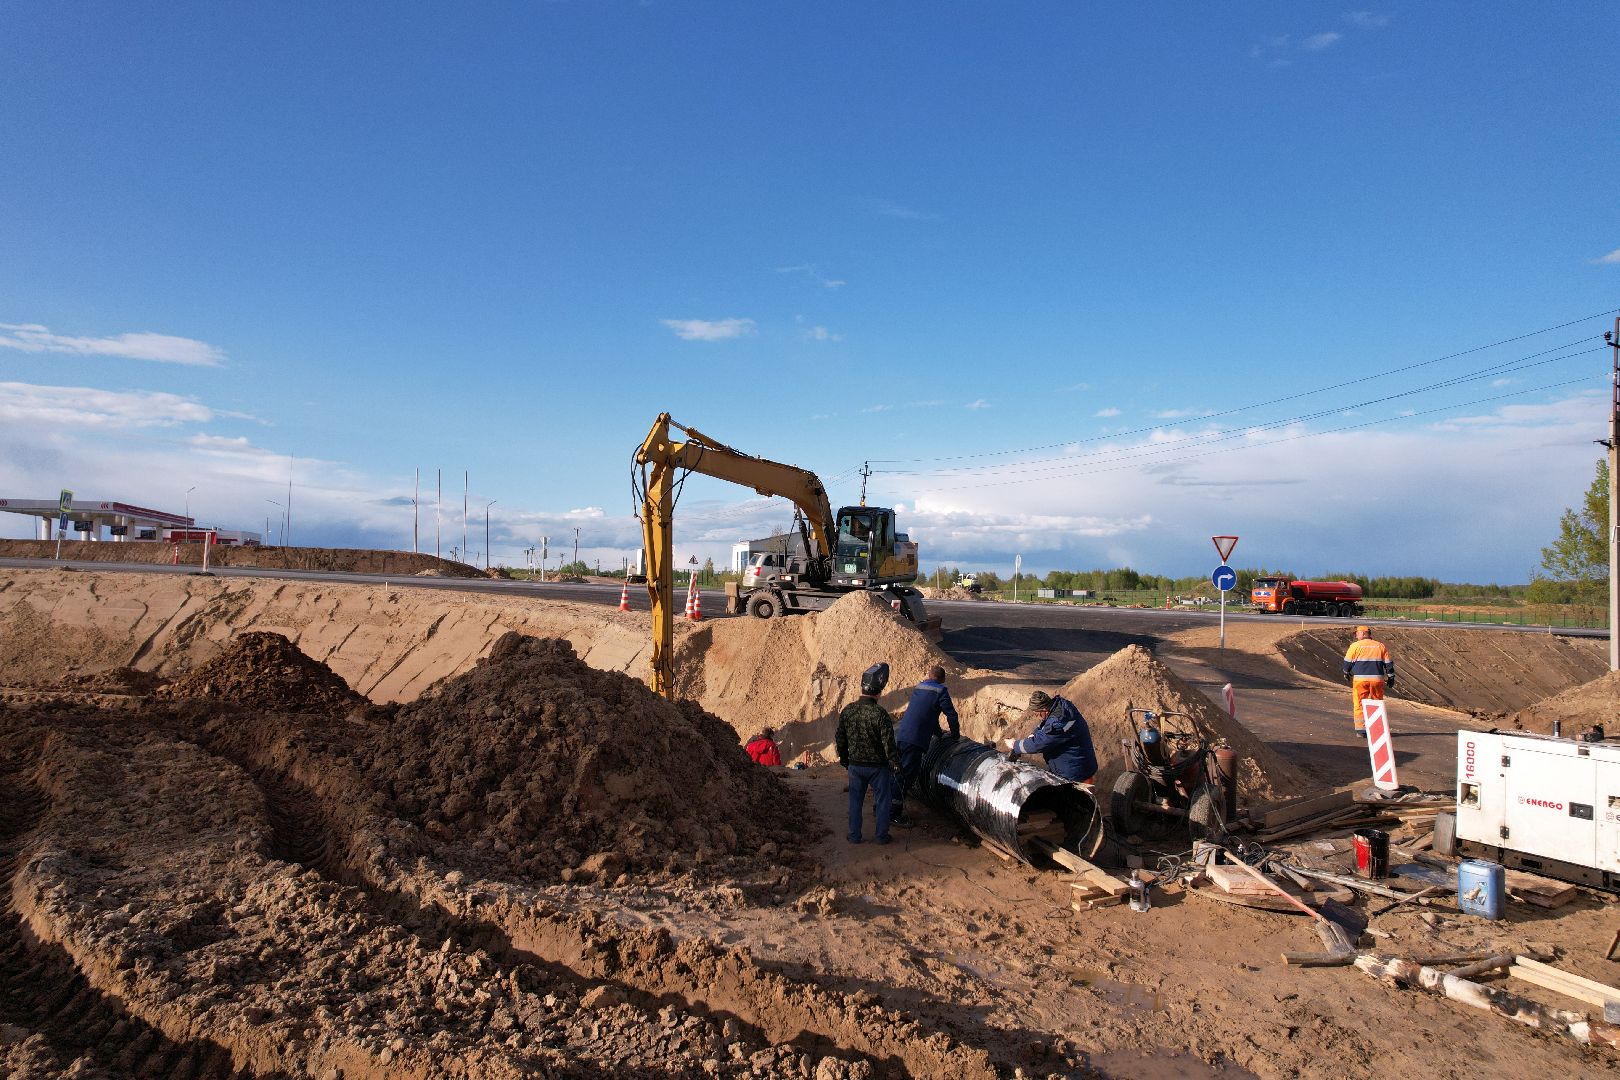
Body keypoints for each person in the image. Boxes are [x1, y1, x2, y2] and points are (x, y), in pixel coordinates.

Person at [835, 662, 900, 844]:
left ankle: (854, 836)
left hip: (855, 765)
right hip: (878, 768)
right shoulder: (880, 714)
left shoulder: (848, 711)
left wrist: (845, 759)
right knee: (883, 801)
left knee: (855, 802)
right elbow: (889, 743)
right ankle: (881, 836)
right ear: (879, 691)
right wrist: (895, 763)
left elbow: (840, 738)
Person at [891, 664, 959, 824]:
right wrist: (955, 735)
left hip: (901, 736)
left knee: (895, 773)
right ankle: (893, 814)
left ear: (929, 676)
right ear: (942, 679)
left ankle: (880, 806)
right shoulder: (941, 691)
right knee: (906, 776)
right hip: (914, 740)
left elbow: (927, 714)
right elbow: (951, 715)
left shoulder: (920, 687)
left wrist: (938, 733)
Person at [1001, 690, 1098, 784]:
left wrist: (1015, 745)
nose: (1037, 716)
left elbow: (1039, 744)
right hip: (1079, 765)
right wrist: (1035, 734)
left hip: (1075, 773)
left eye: (1037, 714)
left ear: (1044, 710)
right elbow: (1046, 726)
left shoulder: (1058, 723)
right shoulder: (1061, 708)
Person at [1342, 625, 1396, 737]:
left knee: (1359, 703)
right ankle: (1376, 729)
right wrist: (1391, 677)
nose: (1356, 636)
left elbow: (1347, 663)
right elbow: (1388, 664)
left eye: (1357, 633)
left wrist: (1346, 672)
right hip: (1377, 680)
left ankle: (1361, 730)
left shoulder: (1355, 646)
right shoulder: (1380, 646)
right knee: (1376, 703)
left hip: (1360, 680)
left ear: (1363, 633)